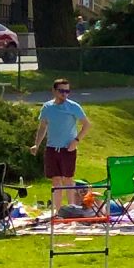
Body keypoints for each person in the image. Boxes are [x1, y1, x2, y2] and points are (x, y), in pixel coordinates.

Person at [30, 78, 90, 208]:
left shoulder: (73, 106)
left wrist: (76, 141)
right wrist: (37, 144)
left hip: (67, 149)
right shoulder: (47, 107)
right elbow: (43, 127)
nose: (64, 94)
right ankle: (57, 212)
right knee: (56, 180)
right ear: (54, 91)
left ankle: (71, 209)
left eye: (67, 91)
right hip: (52, 148)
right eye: (61, 91)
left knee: (68, 179)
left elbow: (86, 125)